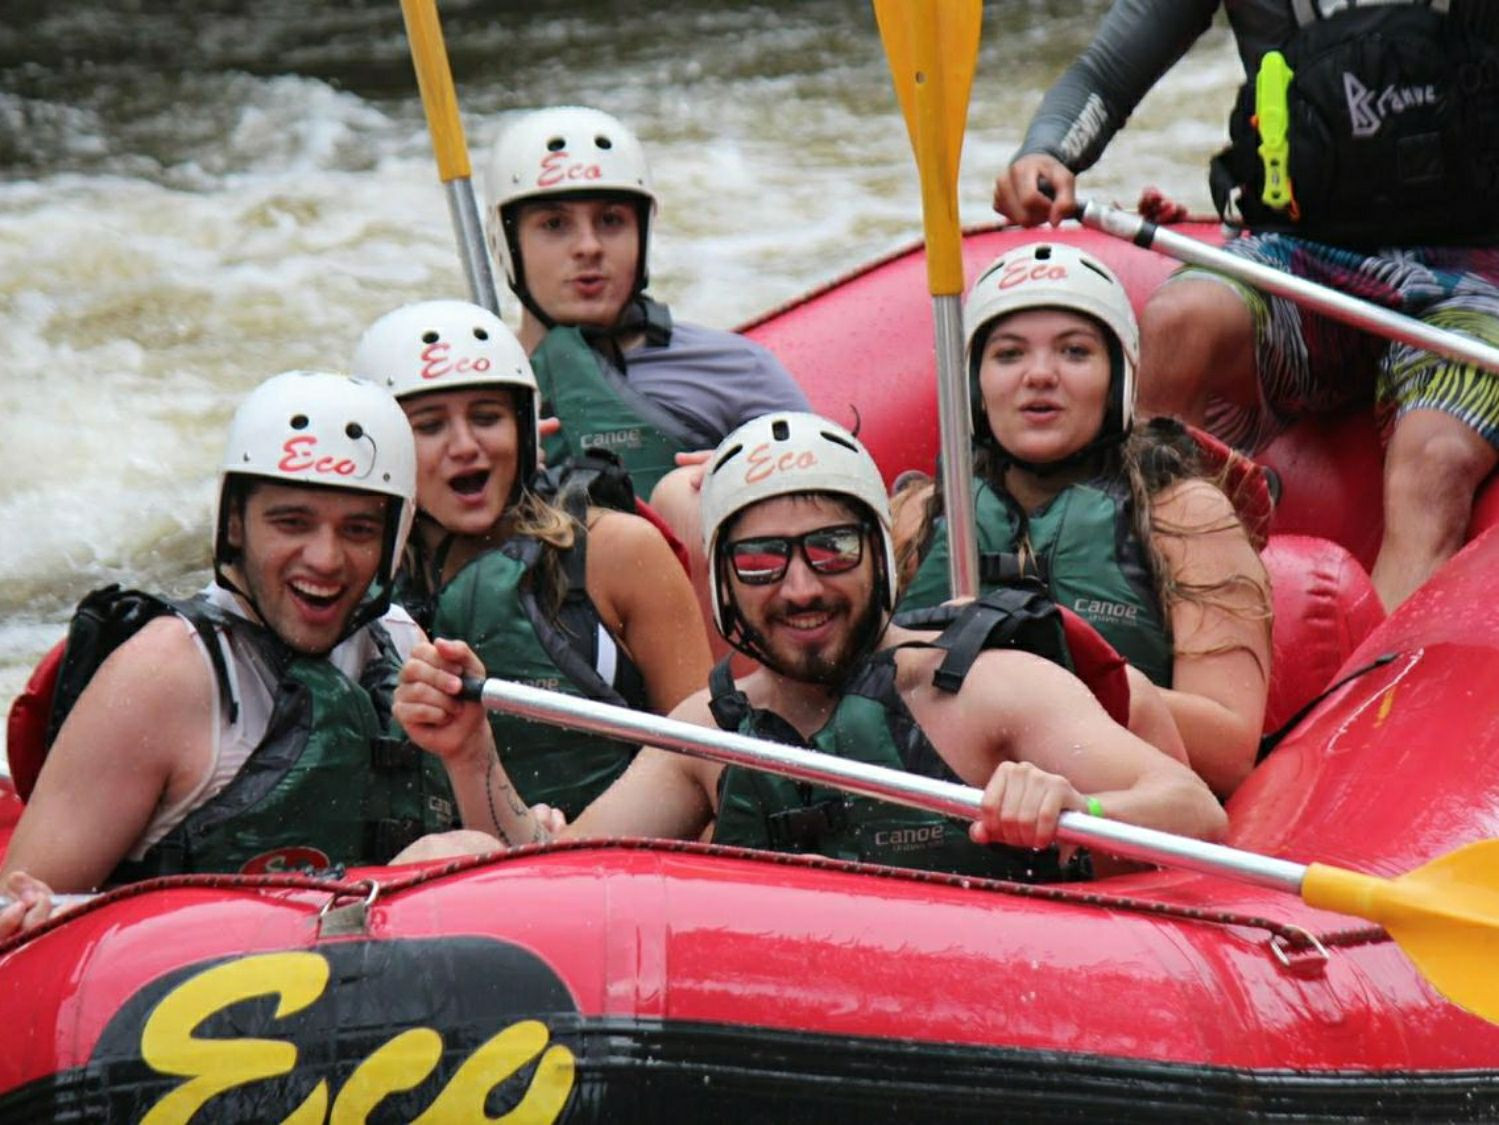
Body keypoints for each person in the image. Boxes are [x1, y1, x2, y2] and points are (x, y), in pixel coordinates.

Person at [393, 412, 1227, 877]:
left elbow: (1193, 808)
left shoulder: (989, 688)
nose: (799, 589)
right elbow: (554, 875)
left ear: (879, 557)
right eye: (760, 561)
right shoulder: (707, 734)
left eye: (830, 549)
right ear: (722, 582)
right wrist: (471, 755)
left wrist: (1077, 810)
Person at [991, 1, 1499, 611]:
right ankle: (1156, 618)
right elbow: (1106, 73)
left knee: (1436, 460)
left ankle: (1377, 668)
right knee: (1180, 323)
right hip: (1299, 254)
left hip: (1478, 271)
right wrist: (1047, 151)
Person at [0, 370, 461, 939]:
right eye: (291, 522)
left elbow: (509, 861)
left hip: (367, 969)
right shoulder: (162, 674)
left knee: (458, 849)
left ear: (393, 538)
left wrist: (473, 753)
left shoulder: (400, 642)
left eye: (358, 529)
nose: (325, 558)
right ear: (235, 523)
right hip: (187, 980)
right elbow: (18, 919)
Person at [894, 244, 1272, 798]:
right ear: (974, 386)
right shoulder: (920, 514)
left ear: (1118, 379)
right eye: (1008, 355)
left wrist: (1048, 681)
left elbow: (1229, 751)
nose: (1039, 375)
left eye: (1074, 352)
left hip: (1113, 806)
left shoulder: (1184, 514)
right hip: (942, 806)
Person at [353, 299, 713, 820]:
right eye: (429, 426)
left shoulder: (619, 553)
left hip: (617, 853)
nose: (465, 446)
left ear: (528, 431)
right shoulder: (351, 584)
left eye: (488, 418)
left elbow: (707, 774)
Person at [485, 104, 812, 649]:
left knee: (685, 494)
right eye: (554, 225)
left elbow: (841, 520)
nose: (589, 246)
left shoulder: (735, 371)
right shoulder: (467, 401)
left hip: (708, 644)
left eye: (612, 220)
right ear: (508, 242)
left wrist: (754, 479)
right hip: (531, 651)